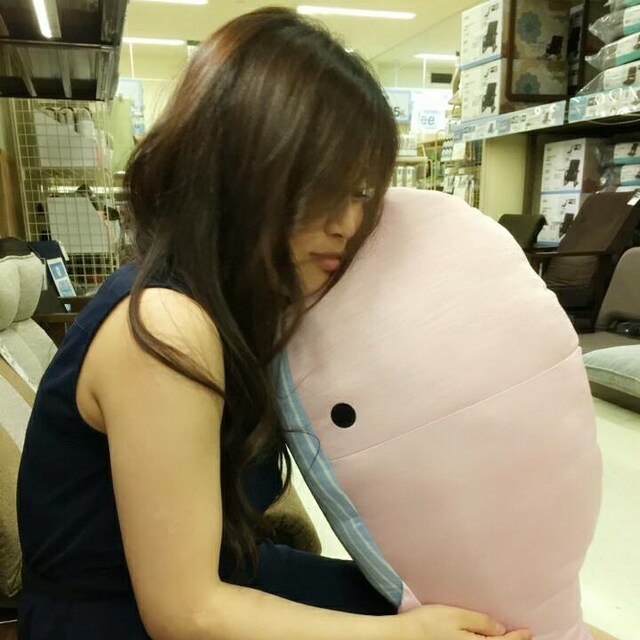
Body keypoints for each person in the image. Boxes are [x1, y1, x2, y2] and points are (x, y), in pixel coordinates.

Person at [16, 8, 532, 640]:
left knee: (493, 616)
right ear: (238, 168)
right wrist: (404, 635)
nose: (347, 222)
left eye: (361, 192)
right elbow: (185, 611)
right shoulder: (167, 327)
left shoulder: (235, 307)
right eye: (323, 184)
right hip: (117, 621)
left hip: (225, 575)